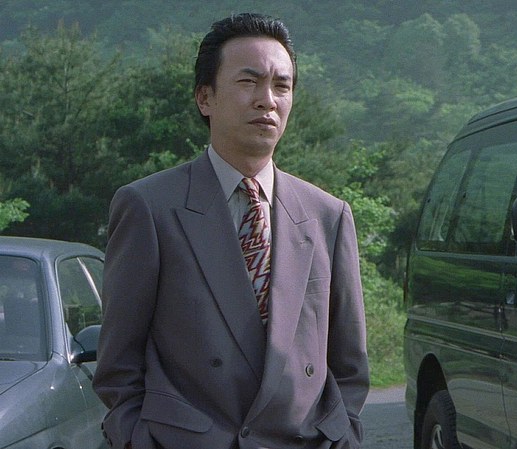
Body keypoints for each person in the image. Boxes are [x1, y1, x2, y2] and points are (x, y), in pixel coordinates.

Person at [93, 13, 369, 449]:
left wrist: (341, 432)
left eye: (281, 85)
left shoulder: (327, 215)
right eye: (248, 82)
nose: (267, 100)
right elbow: (118, 367)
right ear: (205, 97)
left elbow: (349, 365)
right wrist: (136, 437)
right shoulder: (150, 207)